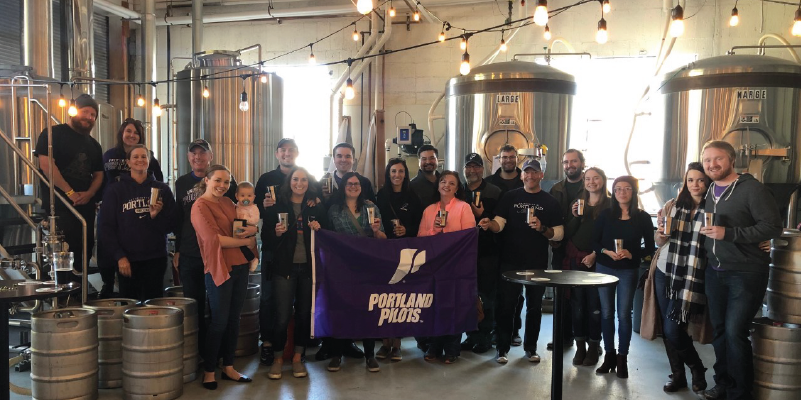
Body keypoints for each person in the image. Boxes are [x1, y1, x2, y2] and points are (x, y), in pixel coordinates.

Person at [698, 141, 782, 400]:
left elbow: (772, 226)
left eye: (718, 158)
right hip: (715, 271)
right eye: (707, 160)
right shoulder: (710, 189)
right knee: (720, 332)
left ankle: (740, 394)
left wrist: (729, 233)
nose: (712, 164)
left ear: (732, 159)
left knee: (735, 333)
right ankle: (723, 384)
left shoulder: (752, 189)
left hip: (745, 273)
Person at [479, 159, 564, 365]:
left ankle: (531, 348)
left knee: (534, 307)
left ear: (541, 175)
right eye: (527, 172)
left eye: (534, 172)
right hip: (510, 261)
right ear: (522, 175)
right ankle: (502, 349)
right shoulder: (510, 197)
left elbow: (559, 234)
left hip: (537, 263)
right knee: (506, 306)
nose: (530, 176)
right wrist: (489, 224)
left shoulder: (550, 202)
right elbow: (499, 224)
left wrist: (542, 228)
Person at [191, 164, 257, 390]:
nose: (222, 185)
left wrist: (253, 232)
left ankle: (228, 366)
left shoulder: (229, 203)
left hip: (240, 266)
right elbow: (214, 240)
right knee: (219, 321)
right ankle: (209, 371)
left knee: (234, 319)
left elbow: (246, 225)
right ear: (207, 181)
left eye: (226, 182)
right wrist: (245, 241)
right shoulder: (200, 206)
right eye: (218, 180)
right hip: (219, 267)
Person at [649, 162, 710, 393]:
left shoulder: (713, 207)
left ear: (708, 182)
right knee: (669, 329)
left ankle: (697, 368)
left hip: (693, 275)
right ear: (685, 182)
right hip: (665, 272)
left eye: (701, 180)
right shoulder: (673, 205)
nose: (695, 185)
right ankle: (678, 376)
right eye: (691, 180)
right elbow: (659, 240)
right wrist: (661, 234)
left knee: (674, 328)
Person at [173, 139, 237, 357]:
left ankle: (219, 355)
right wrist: (178, 249)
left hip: (217, 253)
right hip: (191, 252)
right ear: (188, 157)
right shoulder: (181, 183)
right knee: (195, 304)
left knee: (220, 308)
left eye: (202, 153)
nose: (197, 157)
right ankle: (200, 354)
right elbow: (180, 218)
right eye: (194, 153)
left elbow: (237, 214)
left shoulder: (226, 181)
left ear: (210, 156)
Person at [263, 167, 326, 380]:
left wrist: (318, 227)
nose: (300, 183)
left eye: (304, 180)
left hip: (308, 268)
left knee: (303, 314)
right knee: (281, 316)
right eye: (296, 179)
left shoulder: (315, 206)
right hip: (284, 268)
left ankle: (299, 357)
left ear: (309, 183)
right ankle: (278, 358)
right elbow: (266, 239)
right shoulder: (277, 206)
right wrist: (275, 233)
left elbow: (327, 234)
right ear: (289, 181)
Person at [34, 94, 103, 281]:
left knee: (85, 249)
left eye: (93, 115)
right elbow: (46, 165)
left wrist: (90, 193)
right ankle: (63, 291)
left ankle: (79, 291)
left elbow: (99, 174)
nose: (89, 117)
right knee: (63, 251)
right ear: (74, 112)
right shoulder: (53, 134)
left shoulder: (94, 145)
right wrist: (70, 192)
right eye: (85, 112)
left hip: (85, 206)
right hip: (60, 205)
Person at [592, 175, 655, 379]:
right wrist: (606, 252)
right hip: (605, 267)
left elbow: (650, 247)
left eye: (627, 188)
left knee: (624, 314)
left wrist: (632, 254)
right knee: (606, 313)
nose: (622, 192)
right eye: (618, 188)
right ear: (613, 191)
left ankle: (622, 358)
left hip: (628, 270)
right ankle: (609, 355)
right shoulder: (605, 214)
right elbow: (594, 242)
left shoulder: (643, 217)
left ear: (634, 191)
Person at [97, 145, 175, 302]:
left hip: (155, 259)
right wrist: (119, 256)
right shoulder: (115, 190)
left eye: (144, 156)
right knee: (130, 307)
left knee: (154, 307)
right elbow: (105, 228)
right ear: (128, 162)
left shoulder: (162, 190)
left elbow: (170, 226)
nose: (140, 160)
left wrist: (155, 216)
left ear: (149, 161)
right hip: (127, 260)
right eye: (135, 157)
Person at [327, 172, 387, 372]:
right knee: (341, 310)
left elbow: (383, 240)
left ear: (362, 187)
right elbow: (327, 237)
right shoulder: (334, 210)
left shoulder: (372, 208)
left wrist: (376, 231)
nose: (353, 186)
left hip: (367, 267)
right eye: (349, 183)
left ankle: (370, 355)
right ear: (343, 186)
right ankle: (337, 354)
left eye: (357, 184)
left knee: (368, 310)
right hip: (342, 267)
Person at [418, 170, 475, 364]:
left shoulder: (463, 207)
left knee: (454, 306)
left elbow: (469, 238)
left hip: (456, 265)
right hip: (434, 266)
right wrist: (434, 230)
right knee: (434, 306)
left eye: (452, 183)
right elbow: (420, 239)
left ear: (457, 188)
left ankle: (452, 348)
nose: (446, 185)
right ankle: (433, 346)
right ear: (438, 185)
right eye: (443, 181)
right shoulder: (429, 210)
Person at [254, 137, 299, 366]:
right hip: (272, 247)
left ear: (297, 153)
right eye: (283, 150)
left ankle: (296, 343)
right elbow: (253, 210)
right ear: (277, 154)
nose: (287, 153)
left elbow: (314, 203)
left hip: (298, 249)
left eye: (291, 150)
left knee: (297, 298)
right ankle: (268, 342)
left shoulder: (303, 176)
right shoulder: (266, 179)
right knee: (268, 296)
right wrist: (263, 207)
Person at [374, 158, 424, 361]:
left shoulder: (413, 196)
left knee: (401, 298)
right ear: (388, 173)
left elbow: (420, 223)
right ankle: (385, 342)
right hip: (384, 250)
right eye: (393, 171)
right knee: (385, 297)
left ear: (405, 174)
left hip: (405, 251)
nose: (397, 175)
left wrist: (407, 230)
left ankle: (397, 344)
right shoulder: (381, 195)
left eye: (401, 171)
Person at [563, 167, 609, 366]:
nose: (591, 182)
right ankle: (580, 345)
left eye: (596, 178)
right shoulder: (578, 203)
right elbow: (569, 233)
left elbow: (611, 234)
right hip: (576, 260)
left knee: (595, 307)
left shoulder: (610, 205)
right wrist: (575, 216)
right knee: (578, 306)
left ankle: (593, 346)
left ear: (603, 180)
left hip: (599, 261)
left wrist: (595, 255)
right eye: (588, 179)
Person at [459, 153, 502, 354]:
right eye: (469, 166)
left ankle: (485, 337)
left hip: (487, 253)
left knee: (487, 296)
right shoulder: (459, 191)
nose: (472, 170)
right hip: (464, 254)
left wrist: (482, 215)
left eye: (476, 166)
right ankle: (471, 336)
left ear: (482, 169)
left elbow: (500, 222)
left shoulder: (494, 191)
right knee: (467, 295)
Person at [547, 149, 587, 351]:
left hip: (584, 250)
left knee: (585, 298)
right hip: (561, 249)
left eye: (573, 161)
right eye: (565, 162)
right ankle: (562, 337)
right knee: (561, 296)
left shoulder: (590, 185)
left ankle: (589, 341)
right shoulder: (556, 190)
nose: (569, 165)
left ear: (582, 163)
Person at [485, 144, 525, 345]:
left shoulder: (526, 179)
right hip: (494, 245)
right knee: (495, 291)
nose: (508, 160)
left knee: (517, 292)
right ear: (498, 159)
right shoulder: (489, 183)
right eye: (504, 157)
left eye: (511, 157)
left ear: (517, 158)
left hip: (519, 245)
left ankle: (514, 329)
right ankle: (496, 329)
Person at [235, 182, 260, 272]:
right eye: (242, 195)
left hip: (248, 232)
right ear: (237, 196)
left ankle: (253, 259)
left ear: (253, 197)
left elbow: (255, 220)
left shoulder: (253, 208)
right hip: (238, 230)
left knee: (245, 246)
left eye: (249, 196)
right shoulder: (236, 206)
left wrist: (244, 219)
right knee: (238, 246)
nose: (246, 198)